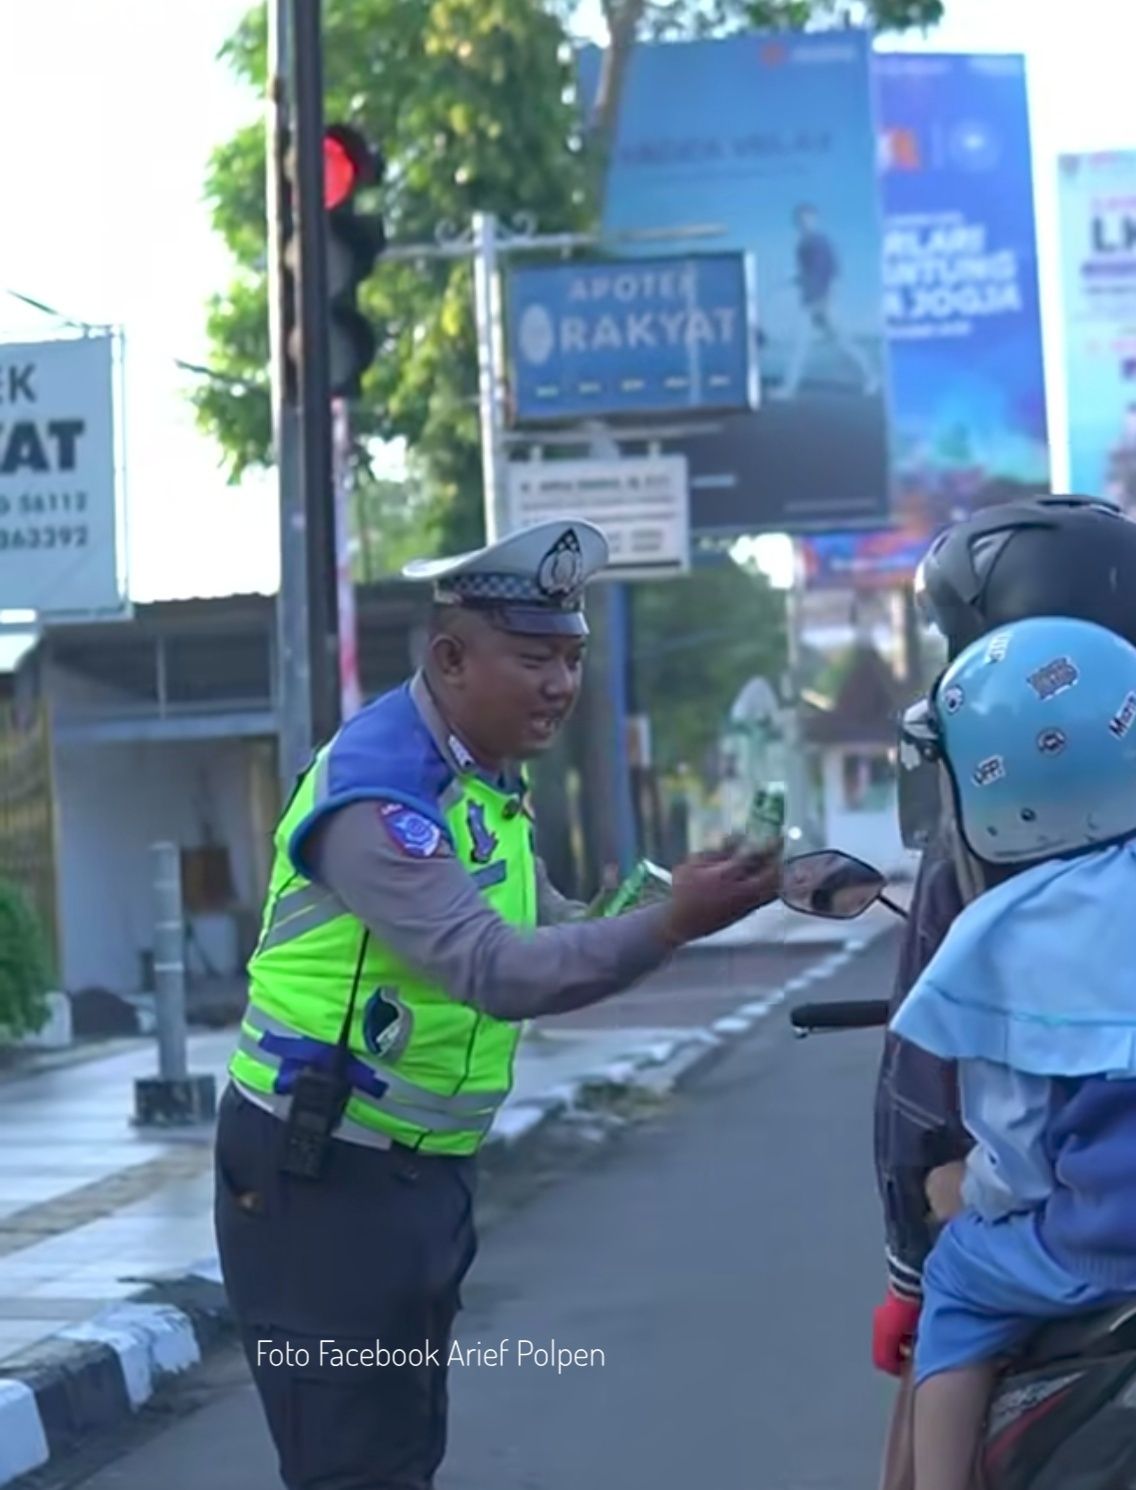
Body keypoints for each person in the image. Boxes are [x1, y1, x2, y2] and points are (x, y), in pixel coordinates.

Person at [214, 518, 781, 1490]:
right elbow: (497, 969)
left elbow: (552, 924)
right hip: (319, 1175)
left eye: (572, 658)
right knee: (353, 1469)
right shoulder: (379, 789)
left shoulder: (481, 778)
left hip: (418, 1176)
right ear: (450, 658)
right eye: (533, 659)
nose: (561, 684)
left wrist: (698, 891)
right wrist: (674, 923)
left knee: (401, 1456)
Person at [871, 494, 1136, 1489]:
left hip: (1109, 1249)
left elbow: (993, 1144)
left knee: (958, 1288)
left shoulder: (991, 910)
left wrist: (962, 1219)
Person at [777, 203, 879, 400]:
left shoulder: (821, 242)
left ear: (815, 219)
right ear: (796, 223)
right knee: (800, 346)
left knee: (843, 343)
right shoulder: (801, 245)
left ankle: (872, 377)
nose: (804, 223)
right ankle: (789, 388)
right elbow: (807, 274)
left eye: (808, 219)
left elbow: (834, 272)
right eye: (800, 220)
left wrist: (829, 299)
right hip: (809, 302)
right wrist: (794, 278)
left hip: (824, 302)